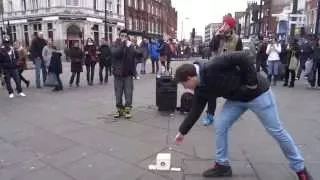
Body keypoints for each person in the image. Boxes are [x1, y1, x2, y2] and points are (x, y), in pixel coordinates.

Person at [173, 52, 313, 180]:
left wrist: (251, 84)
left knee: (276, 130)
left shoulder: (213, 65)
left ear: (190, 77)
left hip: (258, 94)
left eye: (184, 84)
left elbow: (244, 57)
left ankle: (300, 169)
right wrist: (182, 132)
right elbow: (195, 111)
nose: (185, 88)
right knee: (221, 124)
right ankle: (222, 166)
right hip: (236, 100)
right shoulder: (200, 88)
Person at [203, 15, 243, 127]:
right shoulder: (218, 36)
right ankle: (210, 115)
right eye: (223, 23)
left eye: (226, 24)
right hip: (215, 68)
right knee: (211, 92)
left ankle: (232, 114)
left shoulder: (237, 39)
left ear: (231, 27)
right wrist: (216, 36)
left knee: (231, 93)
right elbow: (211, 48)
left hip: (229, 70)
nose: (223, 26)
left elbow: (239, 55)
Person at [111, 30, 142, 119]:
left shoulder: (130, 46)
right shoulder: (115, 44)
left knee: (128, 93)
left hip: (128, 74)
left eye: (125, 36)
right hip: (118, 74)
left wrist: (135, 45)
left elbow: (139, 54)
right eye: (122, 35)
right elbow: (116, 53)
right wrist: (123, 45)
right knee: (118, 93)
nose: (123, 37)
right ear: (119, 36)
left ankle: (127, 110)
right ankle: (119, 109)